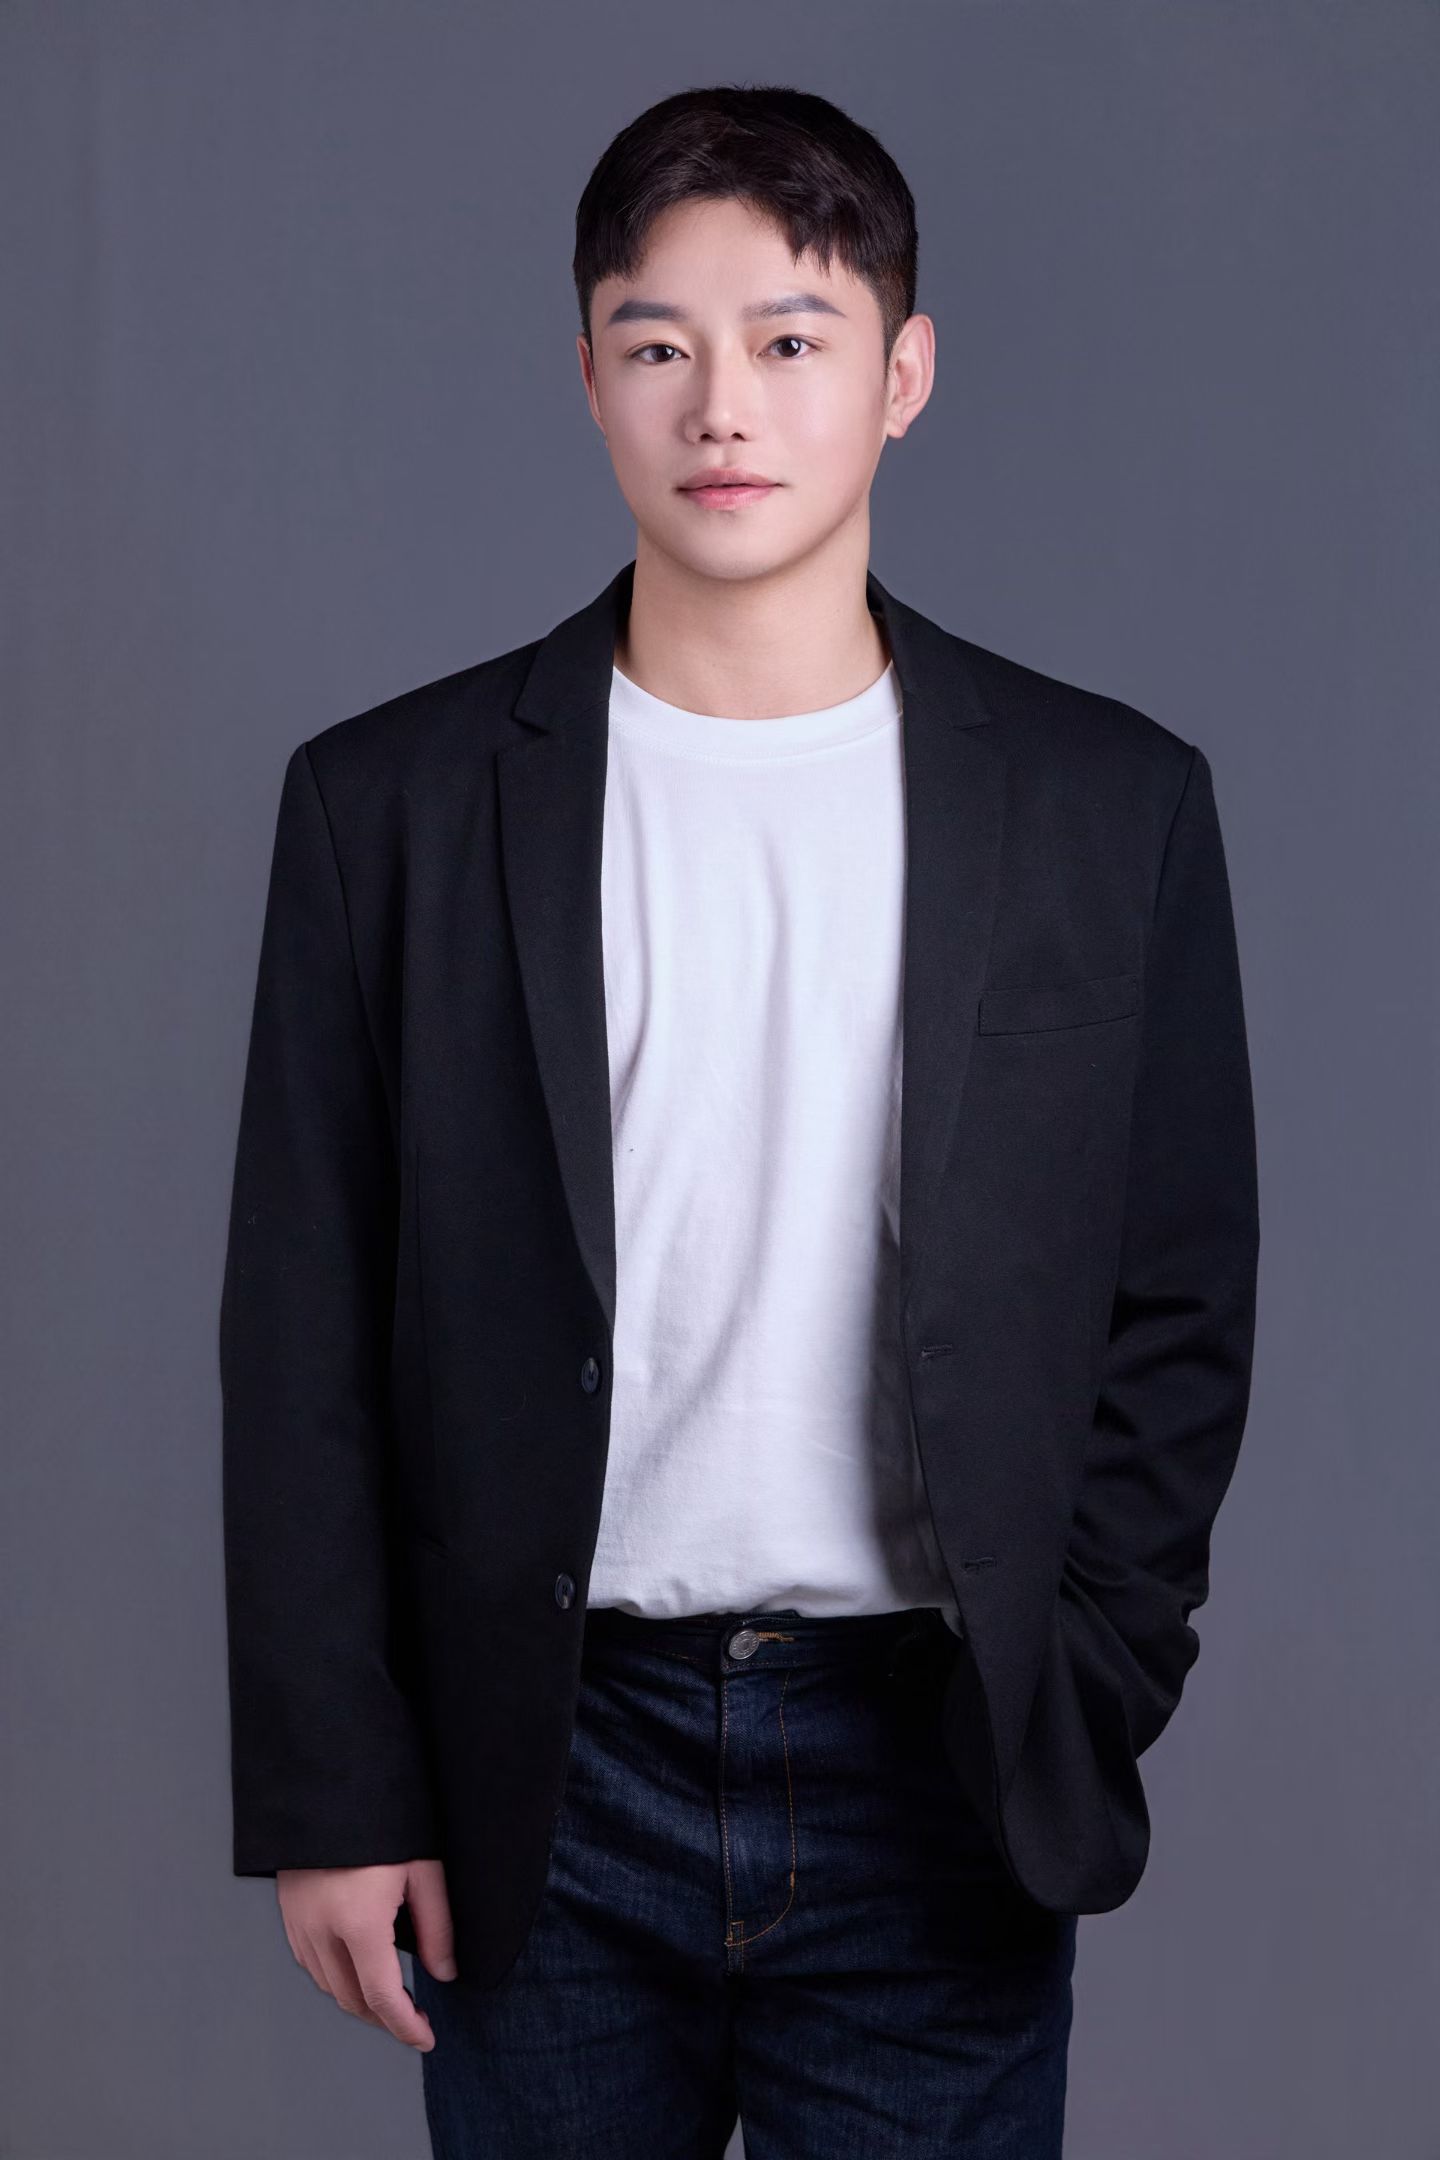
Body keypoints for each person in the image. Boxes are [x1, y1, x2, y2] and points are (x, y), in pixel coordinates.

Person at [220, 84, 1259, 2159]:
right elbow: (305, 1328)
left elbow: (1177, 1297)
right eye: (658, 344)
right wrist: (338, 1791)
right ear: (588, 379)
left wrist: (1083, 1685)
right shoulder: (390, 807)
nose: (723, 407)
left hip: (932, 1765)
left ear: (903, 376)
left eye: (791, 339)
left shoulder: (1106, 805)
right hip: (543, 1768)